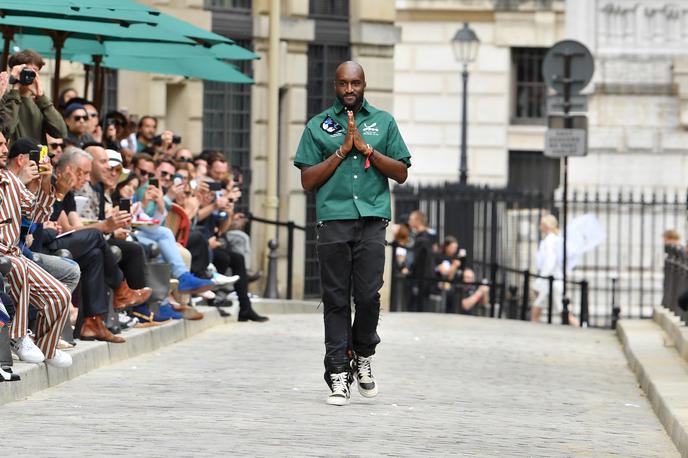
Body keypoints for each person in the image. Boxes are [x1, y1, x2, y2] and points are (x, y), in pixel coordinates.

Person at [294, 61, 411, 406]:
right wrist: (342, 150)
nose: (349, 90)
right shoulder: (317, 126)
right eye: (343, 84)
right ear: (335, 85)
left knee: (369, 295)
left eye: (355, 83)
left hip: (373, 219)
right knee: (335, 298)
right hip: (334, 219)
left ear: (364, 85)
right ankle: (337, 372)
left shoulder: (383, 122)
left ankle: (363, 354)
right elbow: (307, 180)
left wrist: (368, 150)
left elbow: (401, 173)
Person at [0, 126, 74, 367]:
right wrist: (21, 181)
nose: (4, 150)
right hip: (6, 254)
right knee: (18, 267)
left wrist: (46, 186)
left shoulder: (11, 179)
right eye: (0, 145)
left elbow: (37, 215)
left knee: (61, 294)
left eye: (5, 144)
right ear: (23, 160)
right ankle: (17, 337)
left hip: (14, 252)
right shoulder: (11, 179)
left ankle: (47, 345)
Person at [0, 49, 68, 144]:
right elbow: (6, 131)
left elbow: (61, 132)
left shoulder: (40, 103)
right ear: (13, 71)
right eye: (25, 71)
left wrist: (41, 97)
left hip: (36, 158)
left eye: (34, 71)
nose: (28, 75)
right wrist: (15, 88)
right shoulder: (3, 98)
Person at [531, 215, 579, 326]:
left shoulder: (551, 241)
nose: (540, 227)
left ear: (547, 226)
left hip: (551, 282)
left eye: (541, 224)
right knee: (537, 309)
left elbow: (550, 262)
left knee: (564, 312)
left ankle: (580, 328)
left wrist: (540, 281)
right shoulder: (553, 240)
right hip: (551, 282)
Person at [408, 210, 435, 313]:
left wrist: (409, 269)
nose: (409, 222)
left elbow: (417, 259)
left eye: (411, 219)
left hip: (421, 277)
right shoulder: (427, 236)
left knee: (417, 307)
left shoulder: (422, 239)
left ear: (418, 221)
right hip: (426, 276)